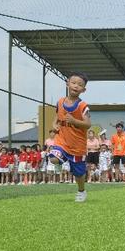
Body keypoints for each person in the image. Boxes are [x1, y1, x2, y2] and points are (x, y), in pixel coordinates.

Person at [47, 72, 91, 200]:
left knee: (79, 174)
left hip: (77, 145)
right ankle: (61, 161)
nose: (76, 86)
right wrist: (54, 124)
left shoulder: (83, 106)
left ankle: (81, 191)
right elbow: (57, 117)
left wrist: (74, 121)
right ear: (67, 83)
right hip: (62, 141)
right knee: (54, 158)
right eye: (73, 83)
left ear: (84, 89)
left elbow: (88, 124)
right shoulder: (60, 102)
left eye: (80, 84)